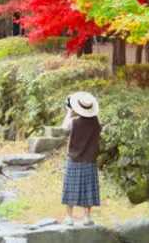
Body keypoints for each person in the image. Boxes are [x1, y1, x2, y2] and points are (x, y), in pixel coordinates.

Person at [60, 90, 101, 225]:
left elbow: (64, 127)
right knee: (88, 189)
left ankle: (69, 217)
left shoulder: (74, 122)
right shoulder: (96, 122)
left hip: (74, 159)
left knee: (70, 188)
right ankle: (87, 217)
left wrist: (68, 111)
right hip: (89, 159)